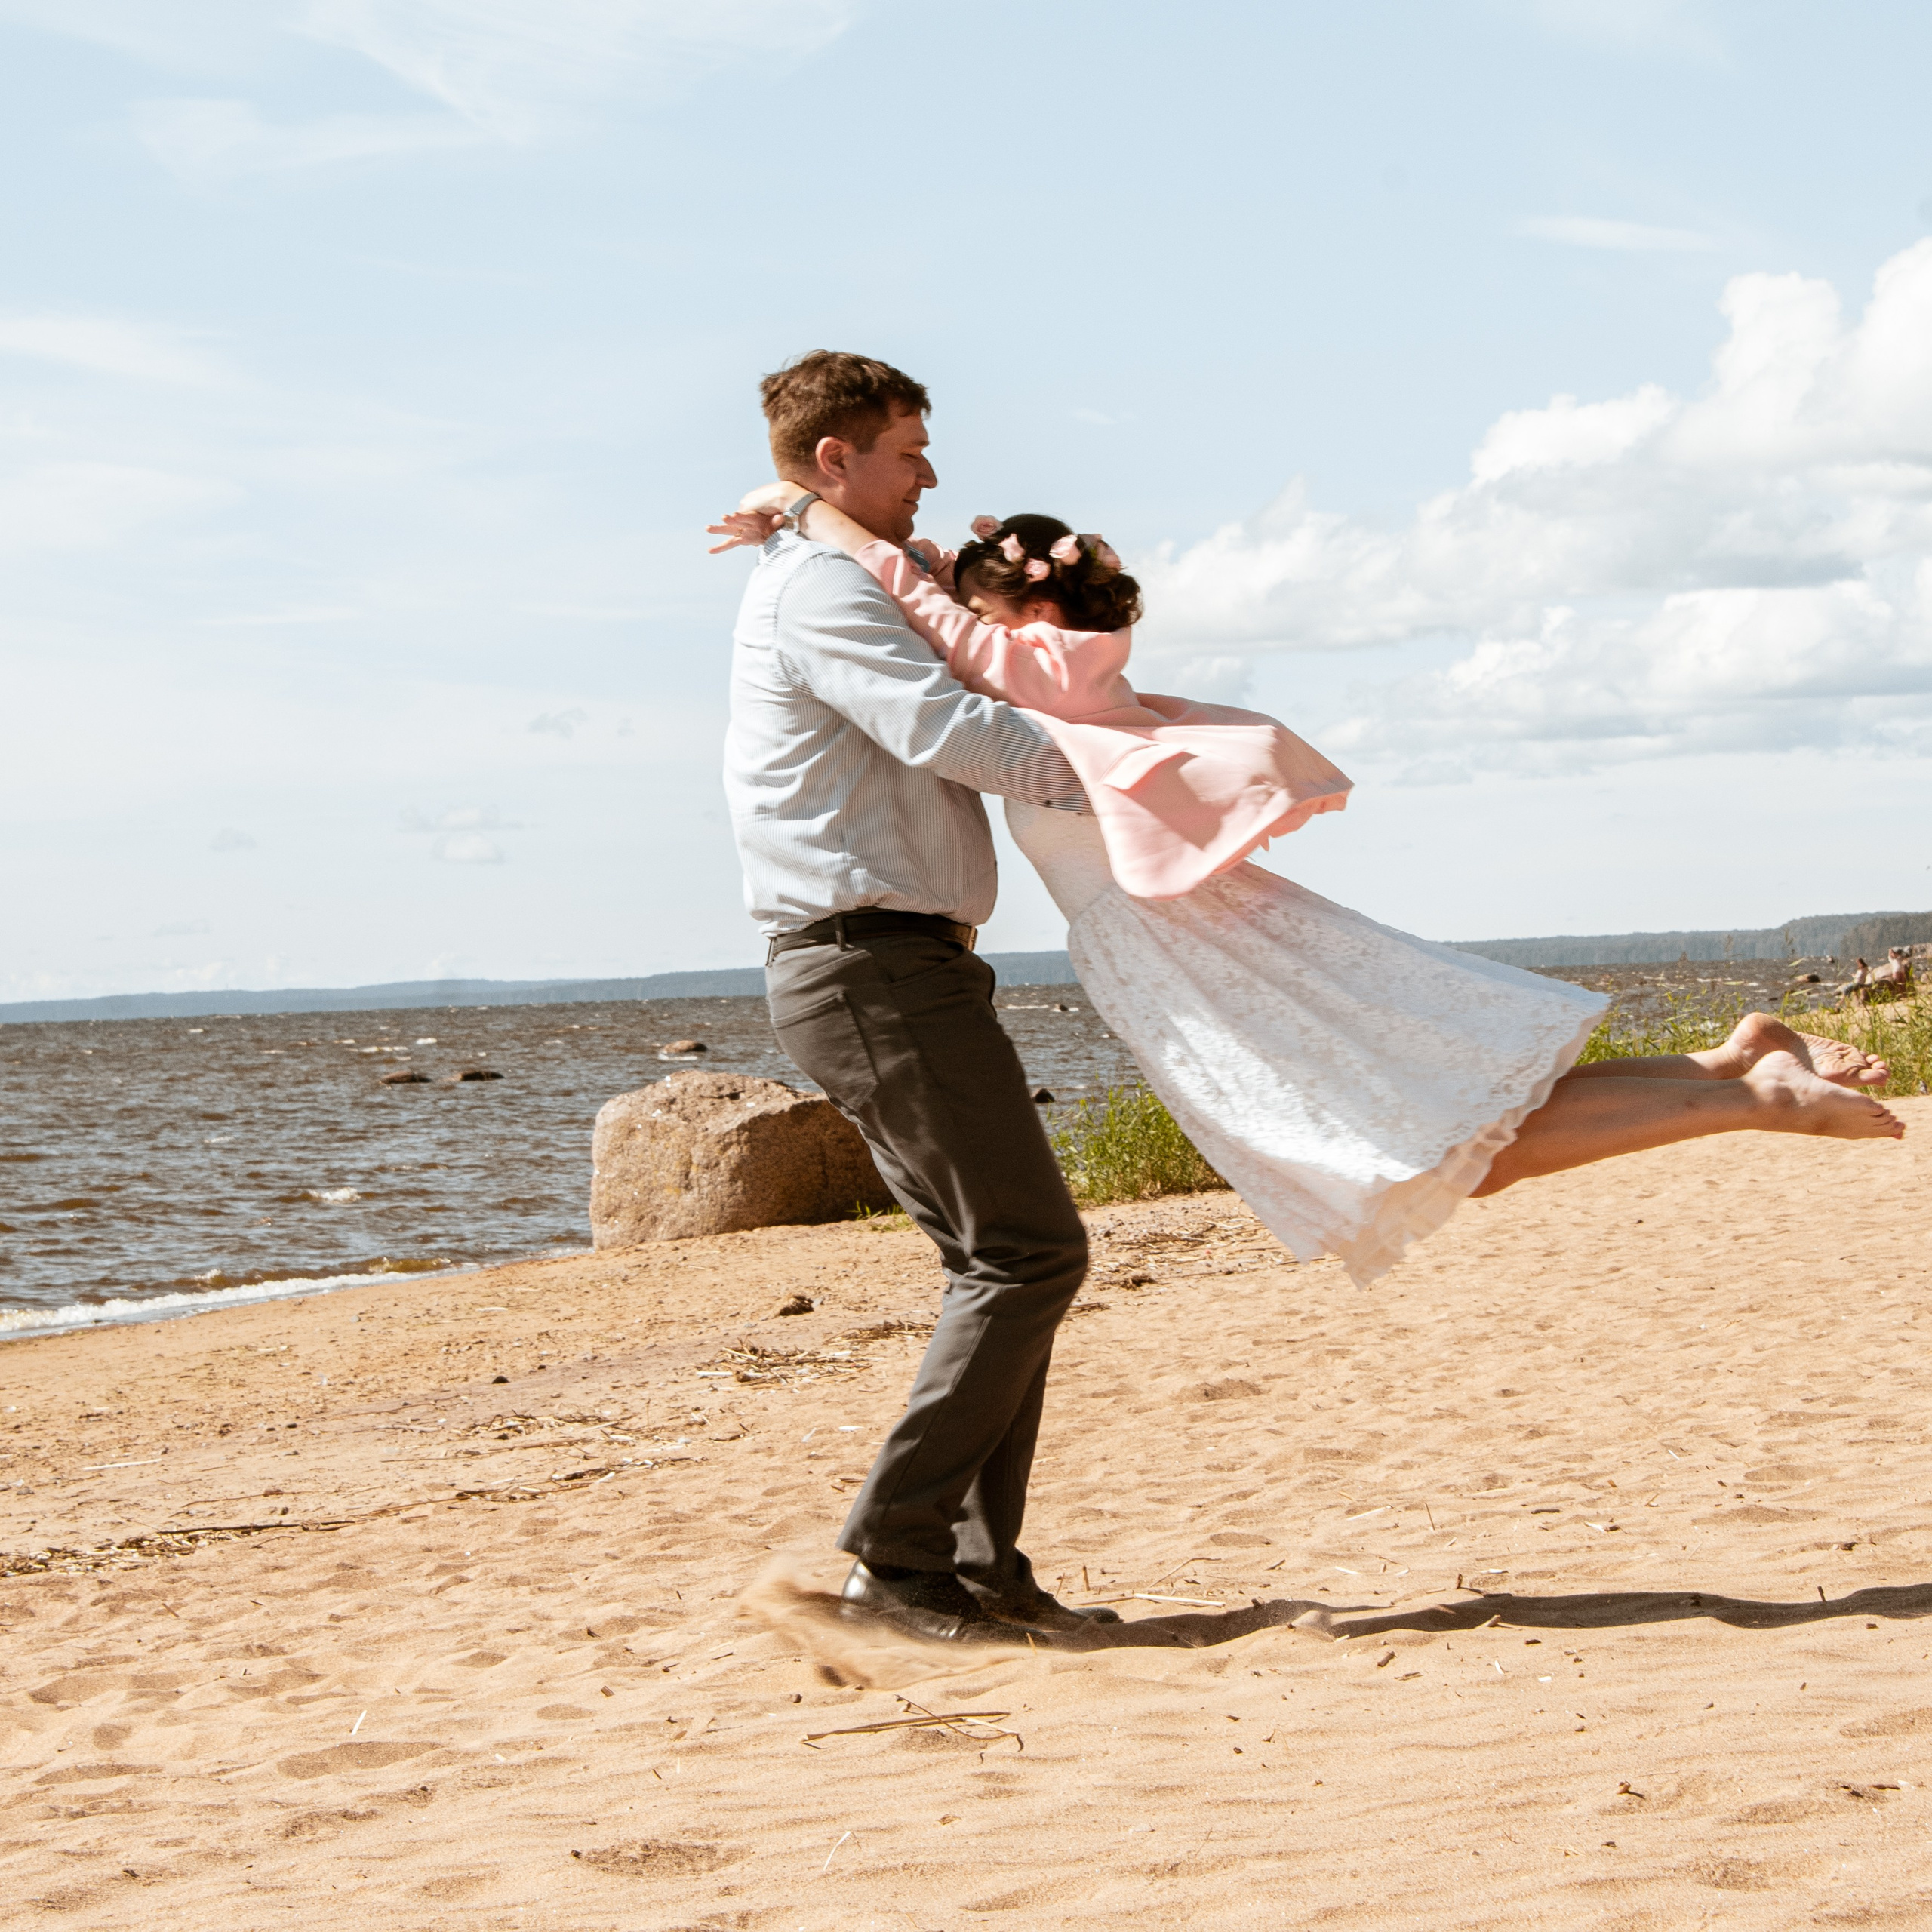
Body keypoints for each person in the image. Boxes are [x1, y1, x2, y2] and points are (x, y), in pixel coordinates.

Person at [713, 488, 1903, 1289]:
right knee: (1459, 1112)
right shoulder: (1056, 661)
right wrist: (830, 522)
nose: (956, 624)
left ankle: (1760, 1098)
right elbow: (932, 603)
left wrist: (826, 517)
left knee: (1430, 1147)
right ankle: (1732, 1062)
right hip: (1183, 943)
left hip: (1193, 951)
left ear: (1026, 610)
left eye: (978, 607)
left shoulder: (1053, 669)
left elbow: (934, 622)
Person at [719, 351, 1123, 1645]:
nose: (933, 476)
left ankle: (970, 1567)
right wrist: (1124, 762)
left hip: (899, 961)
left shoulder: (836, 567)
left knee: (997, 1262)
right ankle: (896, 1566)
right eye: (908, 450)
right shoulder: (819, 594)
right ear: (835, 460)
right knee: (1028, 1253)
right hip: (869, 963)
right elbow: (944, 729)